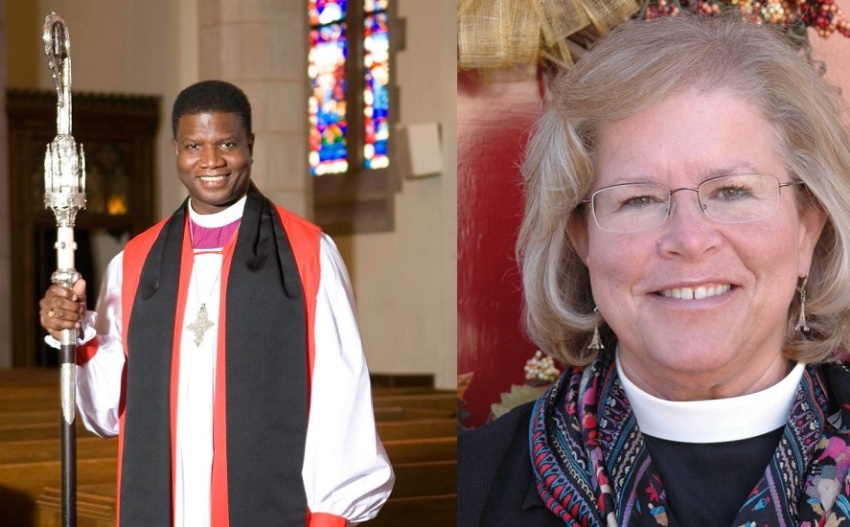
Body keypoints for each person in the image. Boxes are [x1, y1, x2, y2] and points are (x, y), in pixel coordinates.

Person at [458, 14, 850, 527]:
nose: (688, 240)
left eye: (731, 192)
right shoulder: (474, 484)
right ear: (583, 241)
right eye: (638, 199)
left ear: (807, 229)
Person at [39, 80, 394, 527]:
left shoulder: (308, 254)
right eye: (193, 145)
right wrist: (76, 333)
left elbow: (341, 397)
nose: (210, 161)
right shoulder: (134, 262)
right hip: (165, 503)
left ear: (250, 145)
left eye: (227, 143)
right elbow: (110, 412)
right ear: (175, 150)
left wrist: (330, 515)